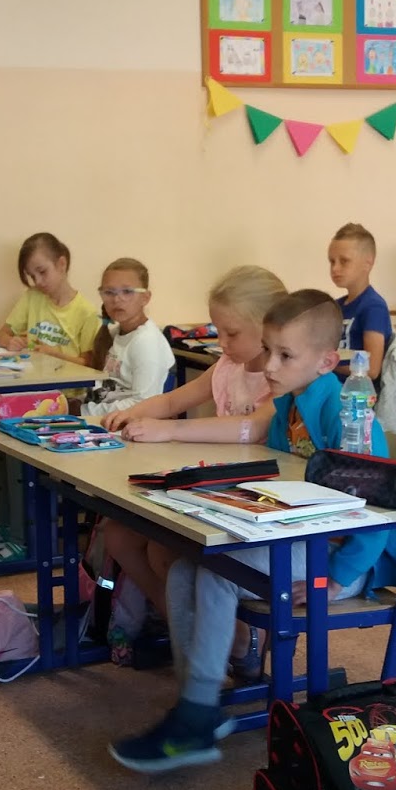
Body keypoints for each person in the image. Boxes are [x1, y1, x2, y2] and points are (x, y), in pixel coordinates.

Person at [109, 290, 396, 773]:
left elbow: (378, 511)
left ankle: (196, 715)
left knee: (216, 573)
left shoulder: (346, 411)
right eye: (269, 350)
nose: (269, 366)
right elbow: (277, 476)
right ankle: (198, 704)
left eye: (285, 355)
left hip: (345, 558)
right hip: (299, 539)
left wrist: (337, 578)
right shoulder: (289, 406)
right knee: (187, 568)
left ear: (326, 362)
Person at [100, 265, 285, 669]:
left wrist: (169, 430)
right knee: (118, 535)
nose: (221, 343)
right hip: (210, 490)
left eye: (231, 333)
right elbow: (171, 400)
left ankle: (238, 641)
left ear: (268, 328)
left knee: (165, 550)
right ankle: (194, 634)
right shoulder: (227, 366)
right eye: (218, 331)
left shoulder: (281, 376)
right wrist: (132, 413)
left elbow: (252, 428)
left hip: (251, 503)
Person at [0, 231, 101, 564]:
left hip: (62, 401)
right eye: (31, 275)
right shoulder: (32, 299)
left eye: (42, 272)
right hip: (26, 392)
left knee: (14, 444)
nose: (38, 282)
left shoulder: (85, 312)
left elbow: (90, 364)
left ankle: (23, 536)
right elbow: (3, 333)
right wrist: (8, 341)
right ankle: (7, 525)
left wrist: (53, 353)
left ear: (62, 264)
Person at [81, 257, 174, 418]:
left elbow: (143, 404)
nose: (117, 299)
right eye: (109, 292)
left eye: (127, 292)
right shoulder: (114, 333)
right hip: (102, 419)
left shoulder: (146, 342)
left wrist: (83, 411)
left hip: (126, 426)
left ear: (145, 297)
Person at [328, 222, 390, 381]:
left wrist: (325, 365)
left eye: (344, 261)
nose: (335, 268)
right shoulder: (335, 306)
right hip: (331, 385)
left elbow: (372, 369)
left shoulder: (374, 307)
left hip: (354, 392)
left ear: (367, 264)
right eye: (332, 261)